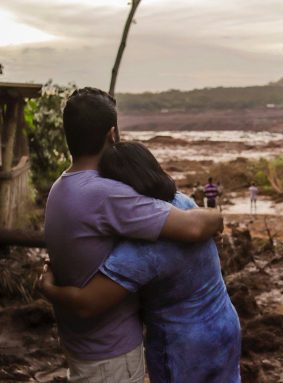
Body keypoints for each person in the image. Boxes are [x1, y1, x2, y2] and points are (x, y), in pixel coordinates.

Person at [44, 87, 223, 382]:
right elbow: (193, 227)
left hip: (80, 347)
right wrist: (217, 216)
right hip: (112, 356)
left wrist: (48, 288)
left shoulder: (61, 187)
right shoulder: (105, 195)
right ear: (112, 134)